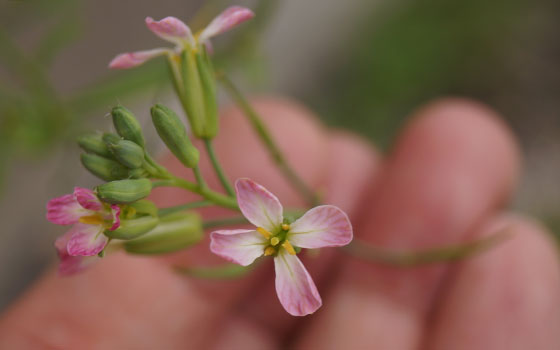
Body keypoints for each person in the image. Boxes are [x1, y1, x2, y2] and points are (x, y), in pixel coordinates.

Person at [0, 97, 558, 349]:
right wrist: (116, 229)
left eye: (103, 217)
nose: (274, 239)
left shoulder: (269, 229)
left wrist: (282, 232)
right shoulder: (252, 235)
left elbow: (298, 224)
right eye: (104, 219)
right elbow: (238, 228)